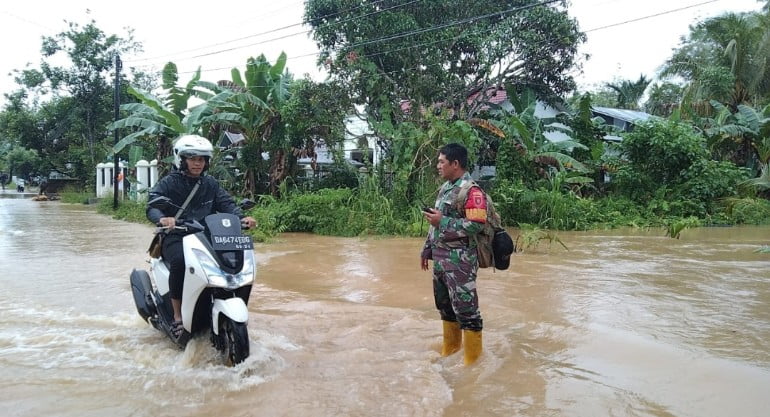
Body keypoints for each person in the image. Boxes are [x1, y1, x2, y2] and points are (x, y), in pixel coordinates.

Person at [146, 134, 257, 340]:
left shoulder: (211, 184)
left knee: (228, 261)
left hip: (204, 236)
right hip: (176, 236)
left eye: (202, 159)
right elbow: (152, 206)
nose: (198, 163)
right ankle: (178, 316)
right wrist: (163, 219)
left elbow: (227, 204)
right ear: (181, 159)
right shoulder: (169, 183)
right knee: (180, 261)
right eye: (193, 158)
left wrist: (242, 218)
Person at [420, 143, 487, 366]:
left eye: (441, 162)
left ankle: (472, 364)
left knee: (467, 312)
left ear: (455, 164)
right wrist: (427, 248)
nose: (437, 165)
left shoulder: (472, 190)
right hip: (440, 260)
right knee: (446, 309)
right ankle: (450, 353)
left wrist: (444, 221)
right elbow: (435, 223)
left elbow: (477, 224)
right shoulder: (446, 188)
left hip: (461, 262)